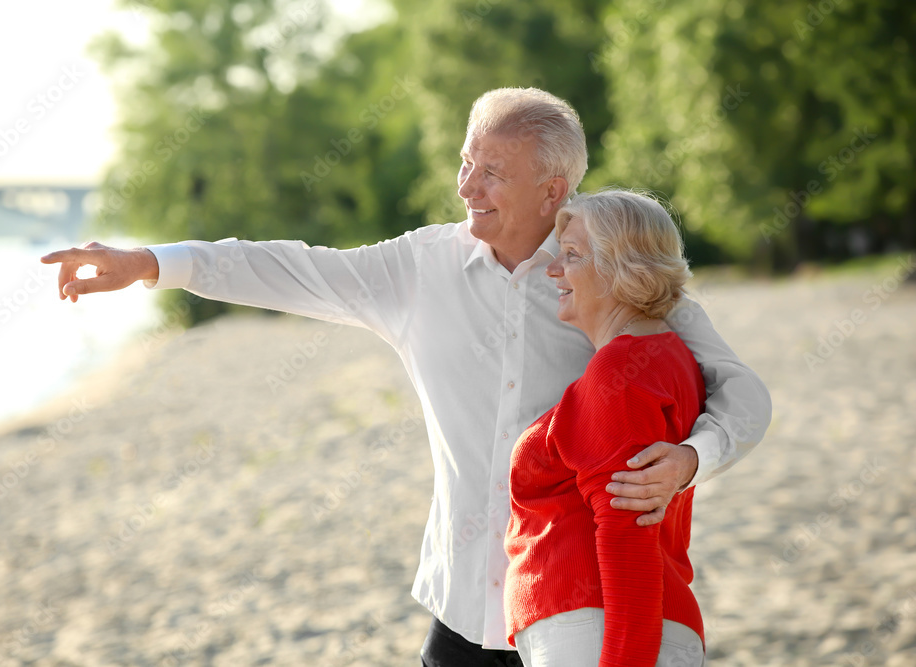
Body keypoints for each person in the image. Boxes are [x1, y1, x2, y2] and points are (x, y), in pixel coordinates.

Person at [40, 87, 770, 666]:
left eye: (492, 172)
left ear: (553, 190)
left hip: (581, 616)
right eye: (464, 161)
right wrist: (152, 263)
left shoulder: (610, 277)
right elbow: (293, 266)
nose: (466, 186)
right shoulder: (420, 268)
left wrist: (690, 459)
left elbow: (740, 390)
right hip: (460, 608)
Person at [505, 189, 710, 667]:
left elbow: (626, 533)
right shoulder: (666, 355)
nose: (553, 270)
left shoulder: (620, 371)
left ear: (624, 269)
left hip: (597, 629)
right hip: (625, 626)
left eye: (572, 256)